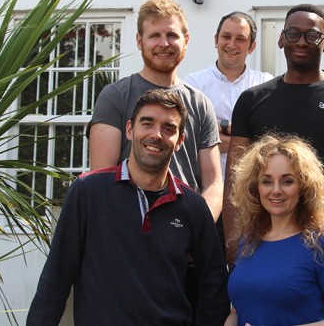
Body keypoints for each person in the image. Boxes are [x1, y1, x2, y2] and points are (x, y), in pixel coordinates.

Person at [27, 89, 230, 325]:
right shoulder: (88, 192)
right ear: (130, 130)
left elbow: (214, 286)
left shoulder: (193, 207)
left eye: (168, 128)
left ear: (180, 142)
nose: (157, 135)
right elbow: (56, 277)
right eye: (147, 123)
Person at [223, 3, 324, 275]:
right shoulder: (252, 100)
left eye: (312, 35)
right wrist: (234, 248)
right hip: (265, 239)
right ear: (281, 39)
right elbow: (235, 182)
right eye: (293, 34)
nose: (302, 41)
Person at [88, 0, 222, 222]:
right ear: (140, 41)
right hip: (129, 229)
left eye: (172, 35)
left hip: (184, 232)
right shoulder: (115, 96)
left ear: (186, 40)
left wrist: (198, 231)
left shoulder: (200, 103)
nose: (164, 43)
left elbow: (213, 183)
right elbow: (101, 180)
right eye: (155, 36)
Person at [226, 134, 324, 326]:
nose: (276, 190)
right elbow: (237, 312)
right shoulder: (248, 241)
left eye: (287, 181)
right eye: (266, 181)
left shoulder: (323, 244)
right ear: (255, 187)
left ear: (304, 187)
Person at [184, 11, 272, 179]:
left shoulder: (265, 84)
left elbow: (269, 138)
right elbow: (191, 137)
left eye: (240, 39)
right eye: (226, 37)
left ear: (252, 46)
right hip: (206, 186)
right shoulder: (193, 84)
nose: (232, 44)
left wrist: (214, 132)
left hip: (254, 190)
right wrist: (249, 136)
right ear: (216, 40)